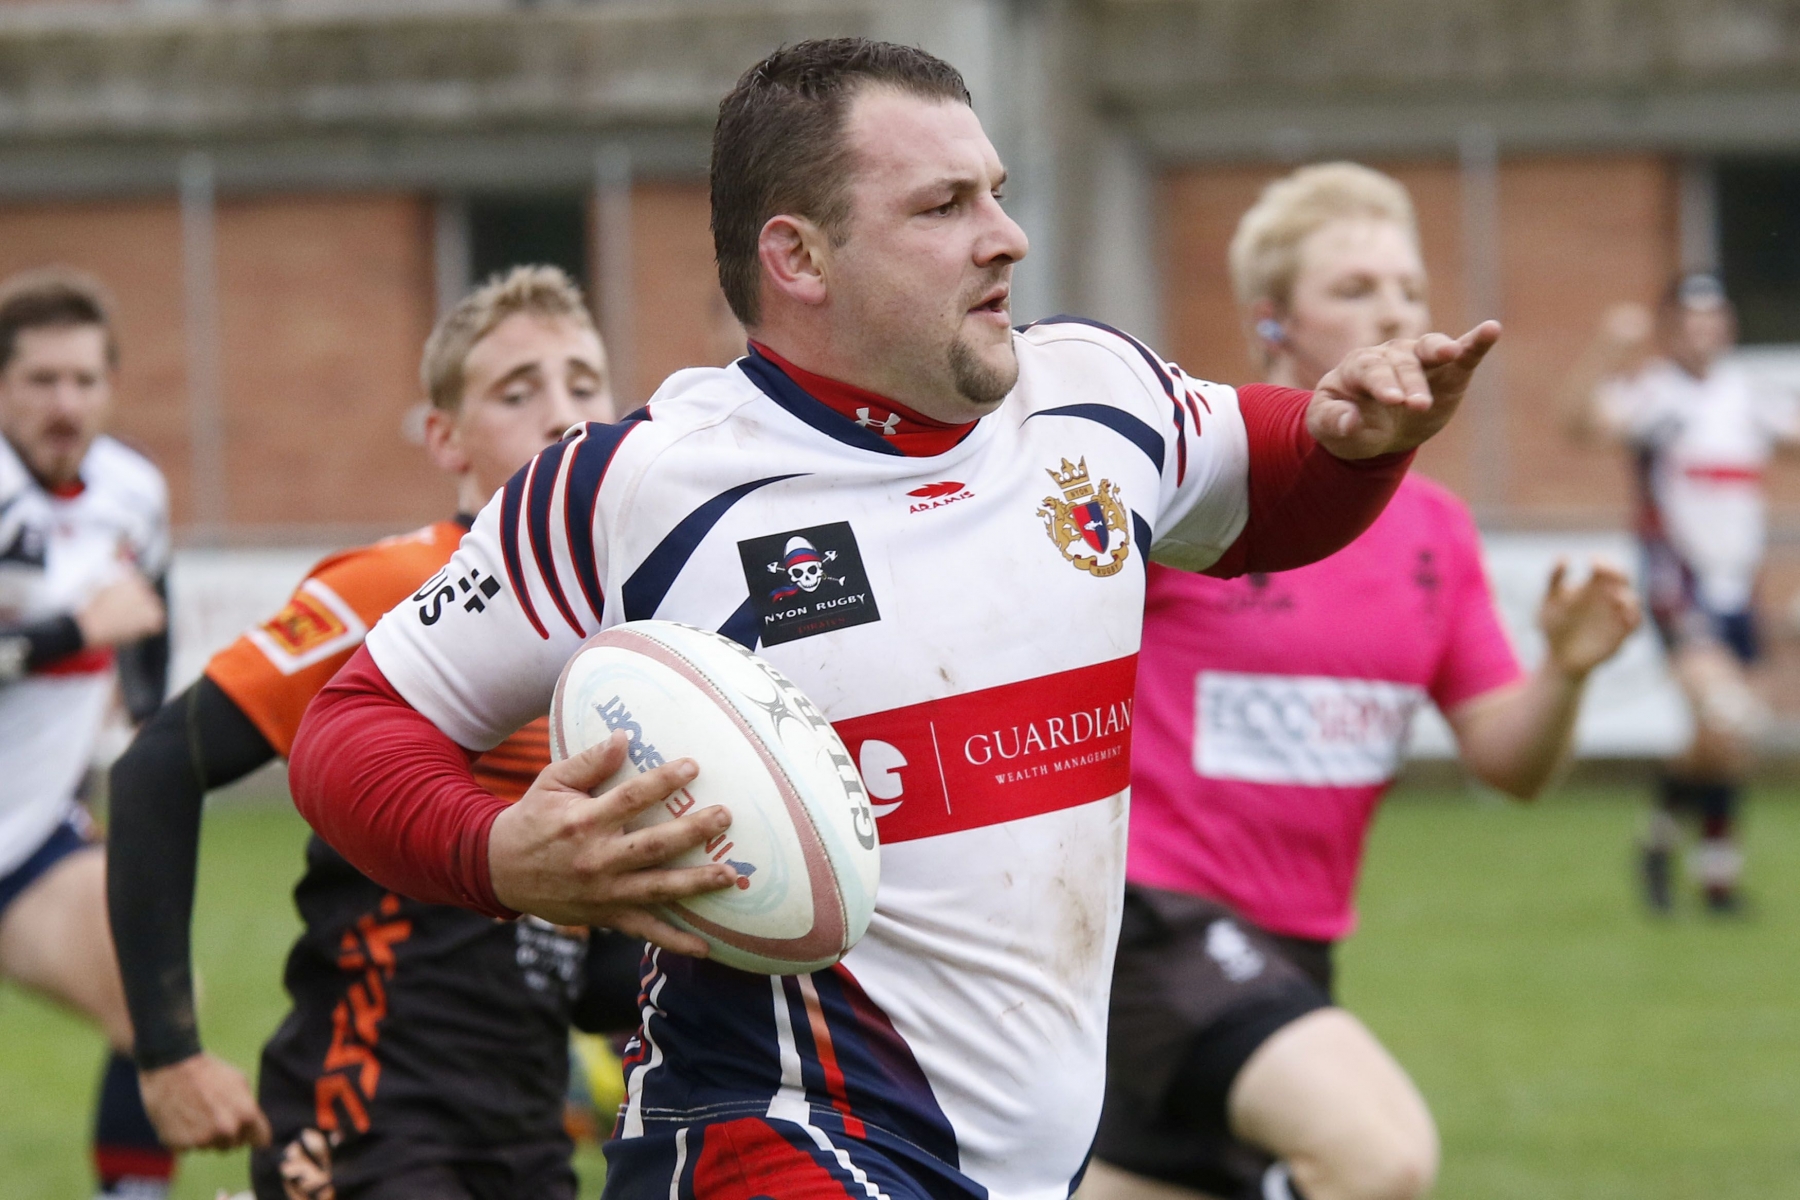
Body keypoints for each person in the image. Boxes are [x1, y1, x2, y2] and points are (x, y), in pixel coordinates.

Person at [288, 40, 1500, 1200]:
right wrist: (497, 853)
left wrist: (1358, 446)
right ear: (799, 258)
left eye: (999, 193)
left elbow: (1260, 489)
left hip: (1028, 1149)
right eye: (944, 208)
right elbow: (350, 727)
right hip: (777, 1129)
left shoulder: (1091, 395)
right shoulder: (636, 489)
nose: (1006, 236)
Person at [1077, 163, 1641, 1200]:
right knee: (1378, 1157)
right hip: (1154, 926)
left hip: (1297, 953)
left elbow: (1510, 766)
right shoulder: (1199, 488)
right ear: (1273, 326)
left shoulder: (1437, 533)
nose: (1393, 309)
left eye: (1410, 289)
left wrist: (1565, 670)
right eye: (1354, 288)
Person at [105, 266, 644, 1200]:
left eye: (585, 384)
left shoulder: (629, 632)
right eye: (518, 393)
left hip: (530, 1138)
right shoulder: (396, 590)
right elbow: (159, 765)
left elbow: (594, 967)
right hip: (364, 1121)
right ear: (445, 437)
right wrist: (168, 1054)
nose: (563, 416)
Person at [0, 268, 176, 1199]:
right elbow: (98, 622)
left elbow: (147, 624)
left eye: (83, 380)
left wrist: (147, 740)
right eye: (39, 381)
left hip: (27, 840)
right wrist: (69, 635)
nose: (64, 403)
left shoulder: (133, 491)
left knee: (151, 1006)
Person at [1564, 273, 1796, 913]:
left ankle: (1666, 843)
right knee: (1726, 716)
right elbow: (1579, 423)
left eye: (1714, 319)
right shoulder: (1656, 397)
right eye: (1690, 321)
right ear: (1671, 330)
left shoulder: (1746, 397)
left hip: (1738, 590)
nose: (1704, 332)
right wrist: (1608, 350)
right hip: (1678, 587)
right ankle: (1714, 877)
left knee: (1729, 740)